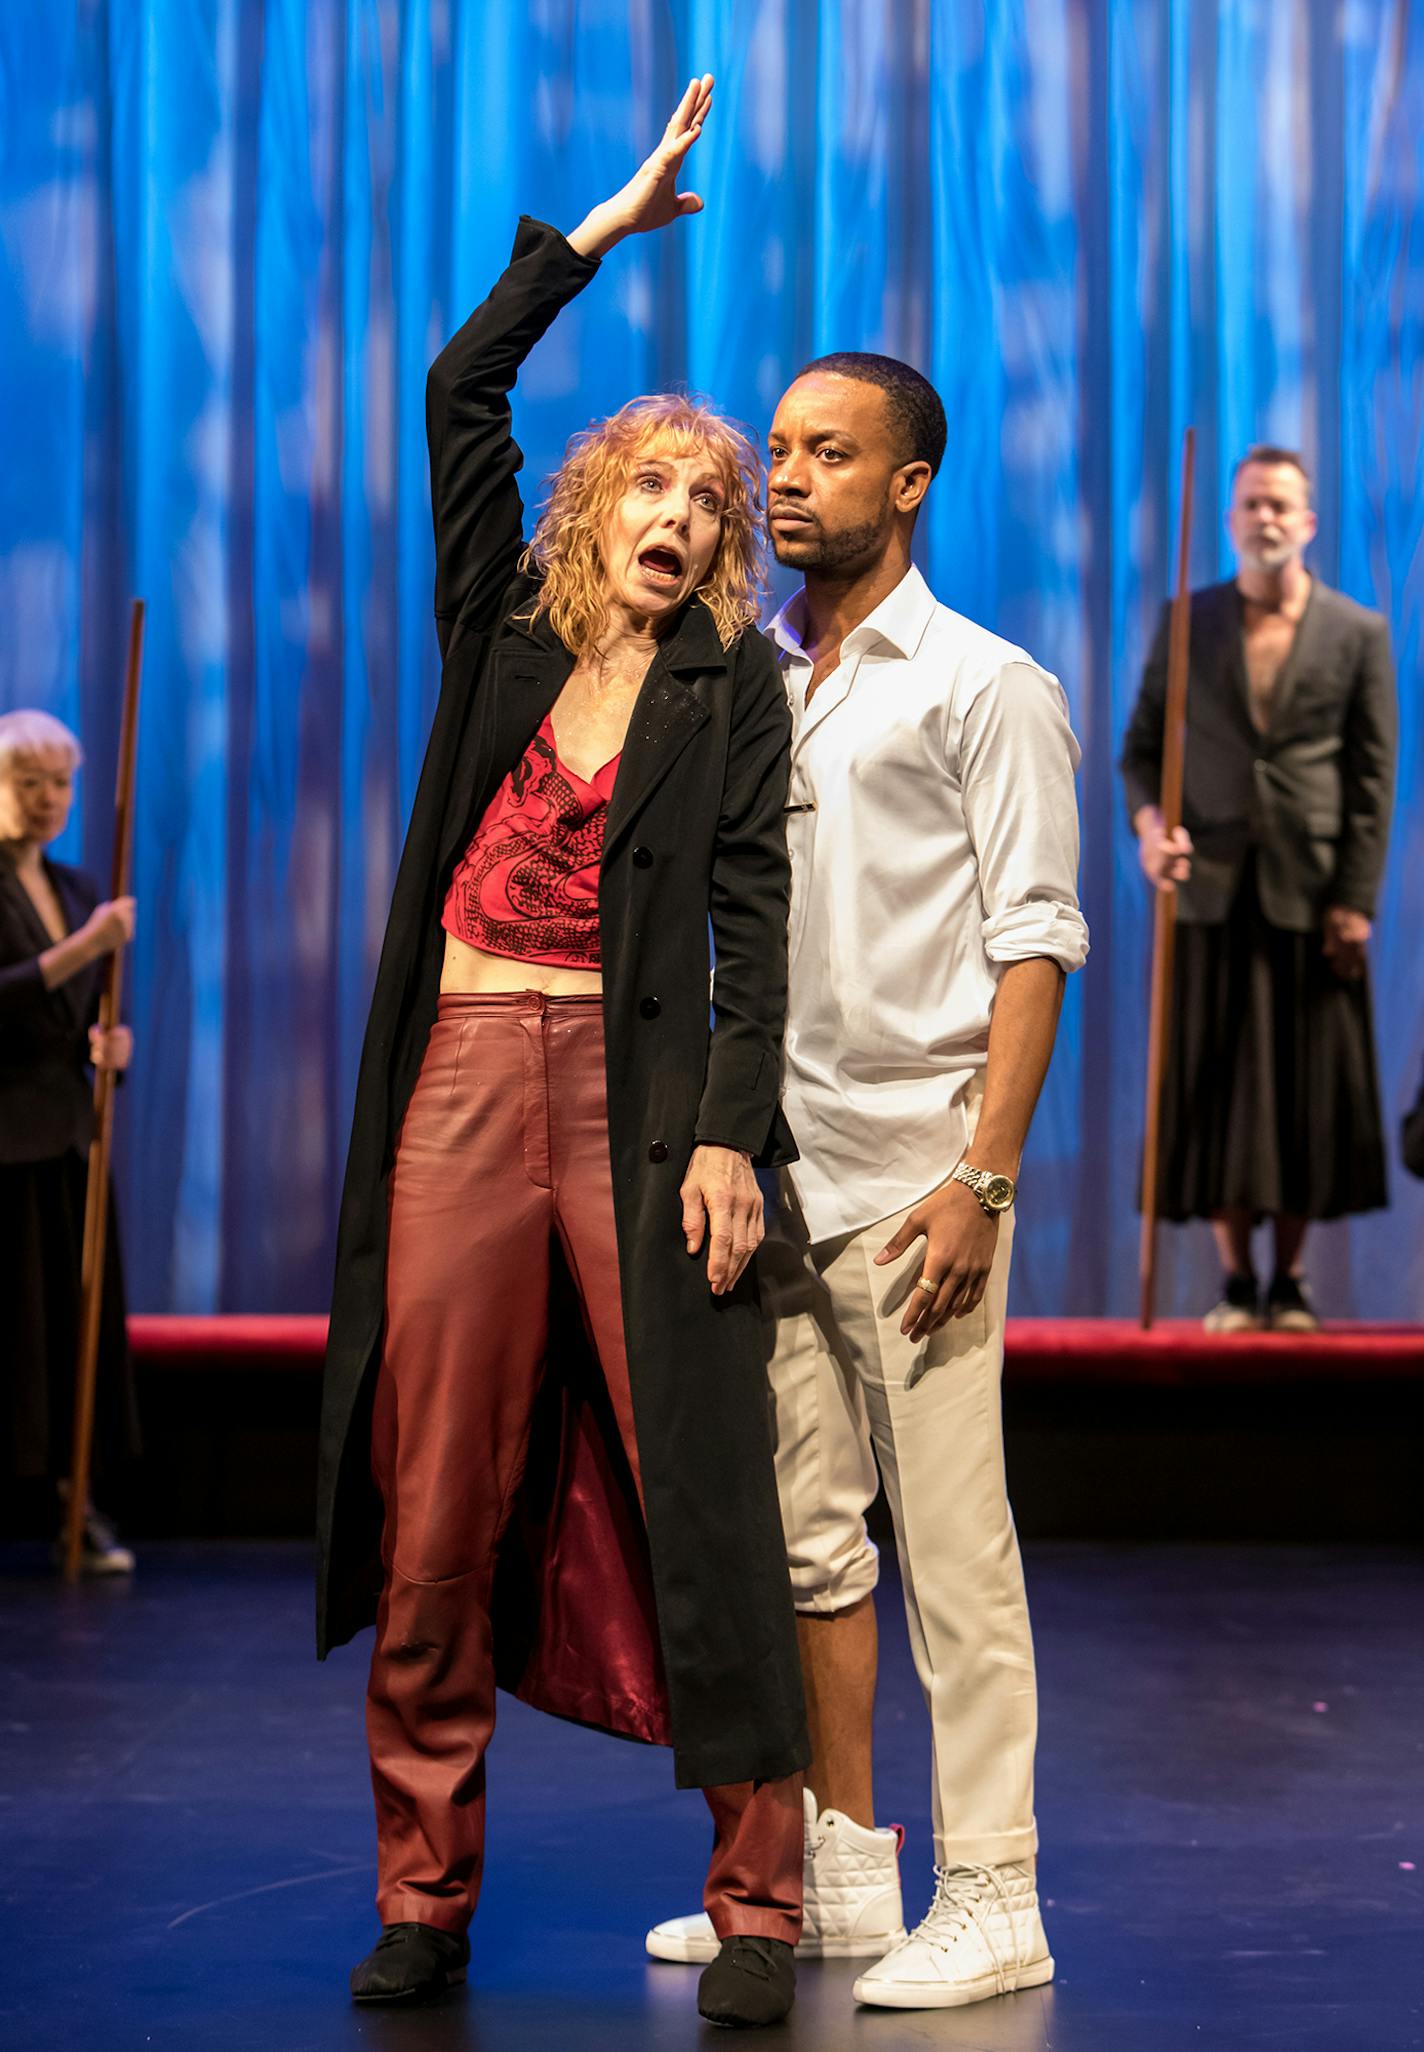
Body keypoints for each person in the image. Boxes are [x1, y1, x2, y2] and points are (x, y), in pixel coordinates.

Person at [317, 80, 808, 2029]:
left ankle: (758, 1901)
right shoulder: (494, 629)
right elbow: (459, 387)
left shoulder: (730, 693)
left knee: (703, 1483)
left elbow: (752, 926)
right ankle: (422, 1888)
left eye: (717, 497)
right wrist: (596, 231)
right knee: (433, 1499)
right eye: (657, 489)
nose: (687, 518)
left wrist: (724, 1137)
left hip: (634, 1108)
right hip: (455, 1085)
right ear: (591, 511)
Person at [646, 351, 1089, 2009]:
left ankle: (994, 1891)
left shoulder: (981, 682)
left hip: (917, 1186)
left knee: (951, 1554)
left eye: (827, 454)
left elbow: (1033, 946)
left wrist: (981, 1178)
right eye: (775, 449)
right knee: (806, 1554)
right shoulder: (739, 676)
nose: (784, 478)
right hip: (775, 1179)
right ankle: (837, 1867)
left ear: (907, 482)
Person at [1121, 446, 1397, 1331]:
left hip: (1313, 897)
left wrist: (1356, 899)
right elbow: (1140, 753)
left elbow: (1372, 778)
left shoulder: (1359, 633)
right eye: (1251, 505)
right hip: (1210, 892)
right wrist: (1150, 833)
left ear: (1309, 522)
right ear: (1232, 520)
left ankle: (1294, 1283)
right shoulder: (1188, 620)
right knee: (1215, 1089)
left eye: (1282, 505)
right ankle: (1237, 1281)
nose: (1266, 518)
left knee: (1305, 1093)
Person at [0, 708, 138, 1573]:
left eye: (60, 782)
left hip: (68, 1143)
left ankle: (70, 1501)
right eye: (27, 781)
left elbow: (87, 1019)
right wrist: (84, 949)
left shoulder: (84, 888)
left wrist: (110, 1051)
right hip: (2, 1143)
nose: (49, 798)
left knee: (68, 1330)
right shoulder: (91, 915)